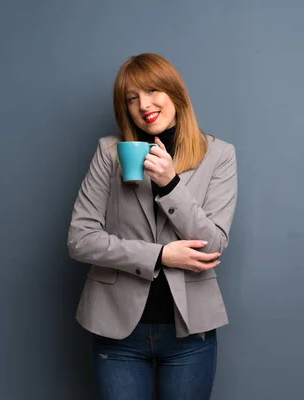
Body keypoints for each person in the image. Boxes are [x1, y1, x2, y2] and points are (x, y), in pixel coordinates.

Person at [67, 53, 238, 400]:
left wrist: (170, 184)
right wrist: (160, 255)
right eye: (131, 98)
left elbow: (212, 244)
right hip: (117, 331)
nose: (144, 104)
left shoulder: (219, 155)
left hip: (189, 335)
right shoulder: (109, 153)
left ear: (174, 92)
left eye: (153, 90)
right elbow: (80, 239)